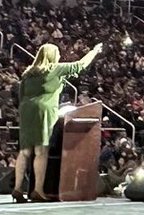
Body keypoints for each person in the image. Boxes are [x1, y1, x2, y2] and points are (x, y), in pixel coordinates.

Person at [13, 41, 104, 202]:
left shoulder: (27, 73)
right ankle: (38, 190)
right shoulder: (55, 68)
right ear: (52, 56)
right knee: (41, 151)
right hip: (44, 110)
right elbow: (80, 65)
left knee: (24, 151)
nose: (60, 57)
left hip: (26, 110)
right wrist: (94, 51)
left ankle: (17, 188)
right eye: (58, 54)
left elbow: (21, 95)